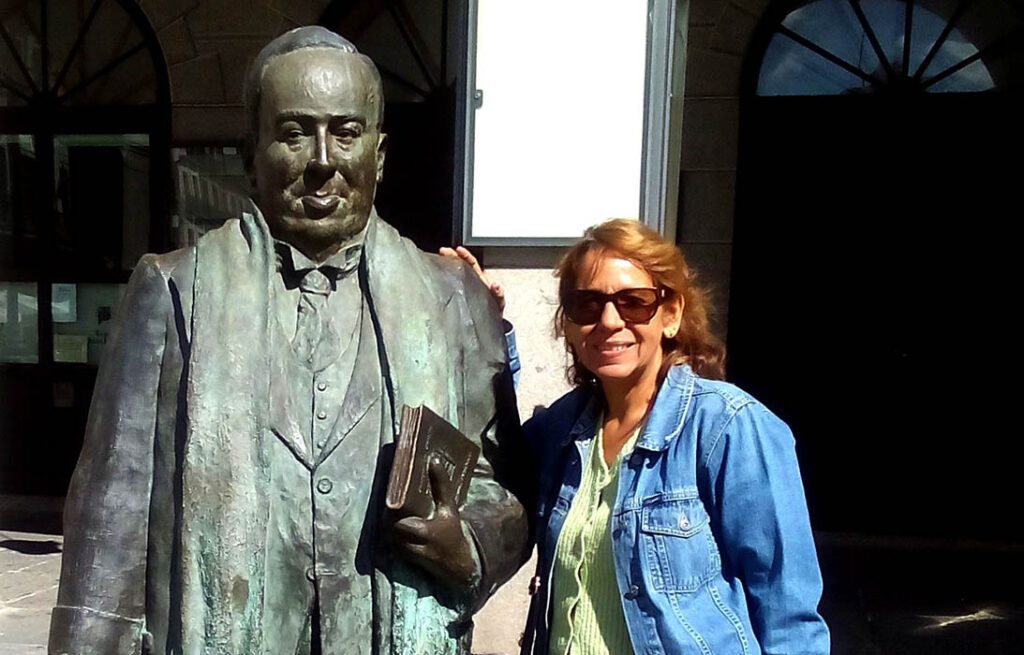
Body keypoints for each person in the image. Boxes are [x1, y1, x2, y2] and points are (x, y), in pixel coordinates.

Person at [49, 27, 529, 655]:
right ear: (252, 154)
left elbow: (510, 485)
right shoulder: (173, 292)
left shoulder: (453, 300)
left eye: (347, 132)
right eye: (295, 132)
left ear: (379, 155)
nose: (323, 158)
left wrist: (466, 545)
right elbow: (109, 530)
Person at [448, 219, 829, 654]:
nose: (610, 321)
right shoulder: (564, 432)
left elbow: (788, 616)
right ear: (569, 325)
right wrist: (483, 323)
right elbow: (499, 445)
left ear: (670, 315)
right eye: (587, 305)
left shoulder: (728, 426)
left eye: (634, 302)